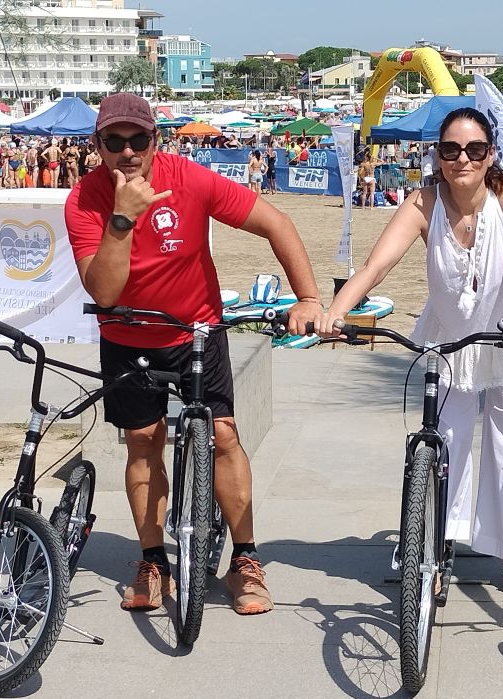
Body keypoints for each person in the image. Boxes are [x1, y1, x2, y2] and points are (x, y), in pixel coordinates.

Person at [65, 93, 322, 616]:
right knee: (143, 442)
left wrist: (309, 298)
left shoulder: (189, 178)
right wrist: (122, 219)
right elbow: (104, 292)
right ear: (98, 145)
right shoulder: (84, 200)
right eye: (114, 141)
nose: (128, 152)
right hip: (128, 337)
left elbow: (277, 223)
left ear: (155, 140)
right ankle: (152, 560)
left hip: (197, 332)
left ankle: (245, 558)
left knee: (223, 435)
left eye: (139, 139)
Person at [323, 107, 503, 606]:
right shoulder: (423, 201)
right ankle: (436, 550)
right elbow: (376, 266)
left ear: (491, 154)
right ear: (437, 155)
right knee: (445, 448)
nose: (462, 160)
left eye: (475, 149)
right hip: (449, 340)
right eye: (450, 149)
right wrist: (335, 313)